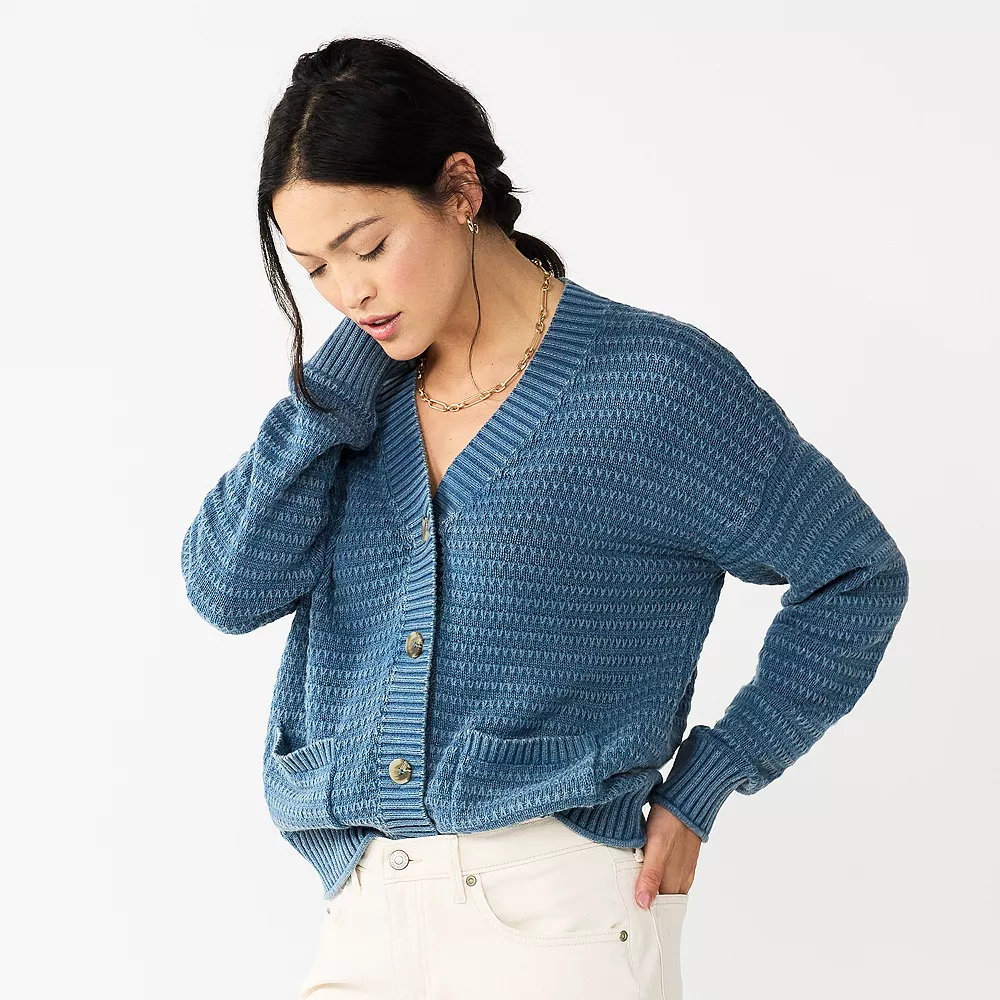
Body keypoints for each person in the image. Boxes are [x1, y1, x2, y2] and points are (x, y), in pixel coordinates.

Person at [180, 36, 910, 1000]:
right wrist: (343, 380)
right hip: (361, 916)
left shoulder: (653, 386)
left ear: (459, 189)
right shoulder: (354, 407)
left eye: (369, 248)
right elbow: (225, 588)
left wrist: (711, 778)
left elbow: (855, 572)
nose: (348, 293)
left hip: (557, 920)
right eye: (314, 268)